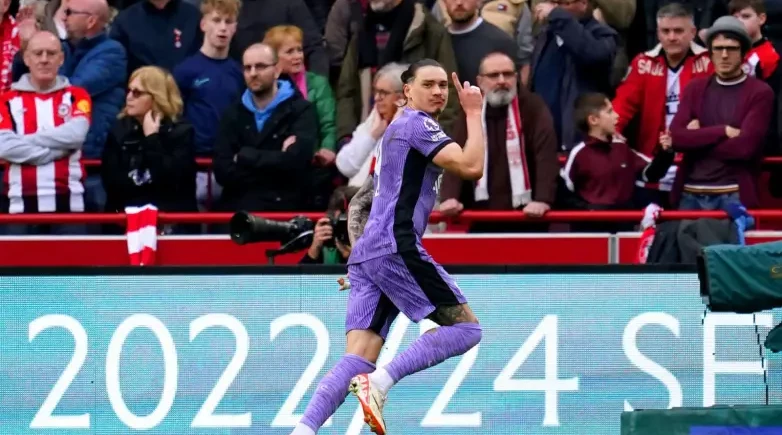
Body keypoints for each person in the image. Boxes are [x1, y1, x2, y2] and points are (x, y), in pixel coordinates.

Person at [289, 58, 484, 435]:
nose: (438, 92)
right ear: (407, 92)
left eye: (443, 85)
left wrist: (362, 257)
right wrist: (474, 112)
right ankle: (379, 383)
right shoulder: (418, 124)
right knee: (466, 330)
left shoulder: (395, 131)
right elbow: (471, 166)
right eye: (428, 84)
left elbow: (361, 201)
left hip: (372, 254)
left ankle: (304, 431)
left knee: (358, 356)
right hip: (397, 246)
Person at [101, 66, 197, 231]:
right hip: (125, 221)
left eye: (137, 93)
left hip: (169, 225)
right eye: (129, 91)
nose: (129, 97)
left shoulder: (182, 132)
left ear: (157, 97)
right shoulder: (119, 130)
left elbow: (173, 182)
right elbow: (112, 183)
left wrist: (152, 138)